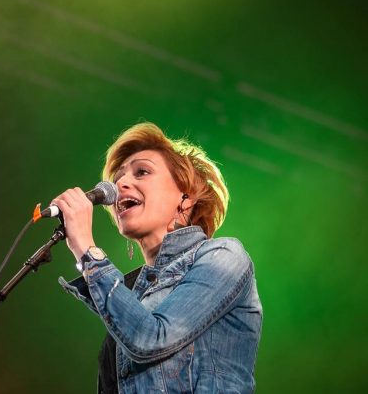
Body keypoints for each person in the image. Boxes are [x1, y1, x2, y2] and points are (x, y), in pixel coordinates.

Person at [52, 122, 262, 393]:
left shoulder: (224, 256)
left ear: (186, 197)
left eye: (142, 172)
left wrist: (86, 250)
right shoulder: (128, 294)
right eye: (117, 178)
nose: (120, 184)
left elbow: (153, 339)